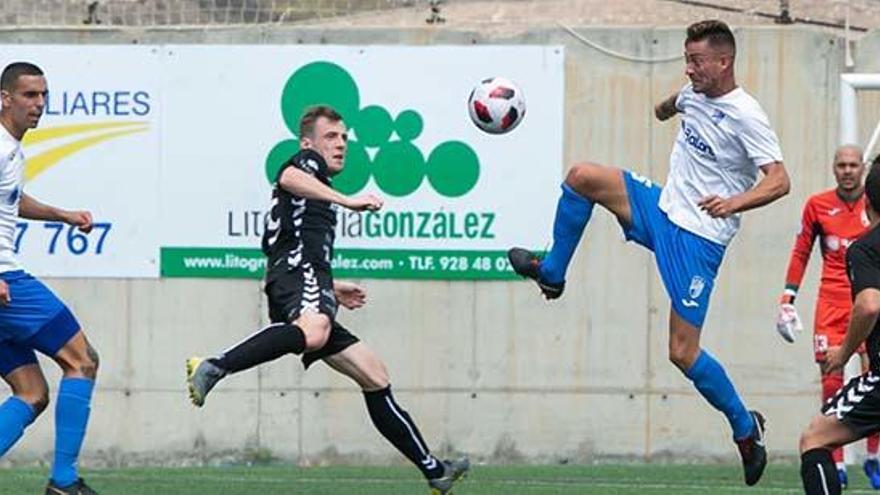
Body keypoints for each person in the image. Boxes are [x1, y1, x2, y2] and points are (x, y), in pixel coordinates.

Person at [507, 20, 789, 485]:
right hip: (662, 208)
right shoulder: (693, 92)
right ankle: (552, 272)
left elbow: (780, 180)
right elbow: (669, 106)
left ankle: (745, 428)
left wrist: (733, 202)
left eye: (697, 61)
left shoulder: (747, 115)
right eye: (687, 59)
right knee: (582, 177)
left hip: (699, 238)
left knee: (682, 352)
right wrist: (667, 105)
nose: (689, 68)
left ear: (725, 62)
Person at [186, 105, 469, 495]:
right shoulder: (305, 164)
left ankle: (434, 469)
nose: (341, 144)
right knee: (315, 331)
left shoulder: (311, 193)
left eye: (345, 138)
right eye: (331, 137)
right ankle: (214, 366)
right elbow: (287, 176)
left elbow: (279, 241)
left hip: (307, 277)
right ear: (308, 142)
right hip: (299, 276)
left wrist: (332, 286)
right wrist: (346, 200)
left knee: (374, 375)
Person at [0, 62, 100, 495]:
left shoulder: (11, 150)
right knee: (83, 360)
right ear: (5, 99)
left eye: (43, 94)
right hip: (6, 282)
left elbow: (11, 200)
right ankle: (63, 482)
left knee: (32, 392)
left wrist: (60, 214)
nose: (39, 104)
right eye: (29, 95)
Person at [777, 145, 880, 488]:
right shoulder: (818, 206)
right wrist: (788, 297)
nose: (848, 170)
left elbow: (868, 305)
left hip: (862, 308)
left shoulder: (866, 245)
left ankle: (872, 455)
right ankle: (837, 464)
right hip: (833, 304)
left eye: (854, 165)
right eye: (842, 165)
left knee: (815, 436)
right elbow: (802, 250)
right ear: (834, 169)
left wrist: (848, 349)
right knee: (833, 380)